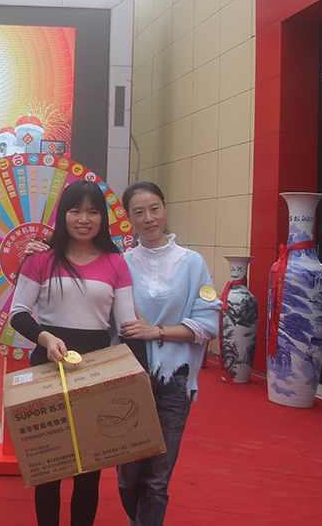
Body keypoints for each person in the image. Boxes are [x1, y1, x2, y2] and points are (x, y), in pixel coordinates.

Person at [9, 179, 137, 526]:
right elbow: (18, 313)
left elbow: (127, 325)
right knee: (48, 467)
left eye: (93, 212)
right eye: (75, 211)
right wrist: (46, 339)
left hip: (96, 371)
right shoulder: (41, 258)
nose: (84, 219)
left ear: (102, 218)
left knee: (89, 472)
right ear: (62, 214)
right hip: (47, 367)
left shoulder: (116, 263)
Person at [114, 181, 220, 526]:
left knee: (158, 478)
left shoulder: (193, 264)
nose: (149, 218)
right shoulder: (120, 264)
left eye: (154, 208)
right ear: (129, 218)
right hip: (130, 378)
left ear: (164, 208)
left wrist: (156, 331)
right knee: (127, 474)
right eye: (139, 212)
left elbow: (208, 325)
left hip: (175, 379)